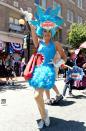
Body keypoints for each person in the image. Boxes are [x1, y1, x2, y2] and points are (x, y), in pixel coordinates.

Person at [22, 6, 66, 129]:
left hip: (48, 71)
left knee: (36, 96)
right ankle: (44, 115)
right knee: (38, 96)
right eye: (44, 31)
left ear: (51, 32)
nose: (46, 34)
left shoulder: (56, 44)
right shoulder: (39, 43)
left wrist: (57, 63)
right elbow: (33, 33)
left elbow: (64, 57)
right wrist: (30, 20)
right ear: (42, 31)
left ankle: (44, 116)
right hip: (37, 71)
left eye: (49, 32)